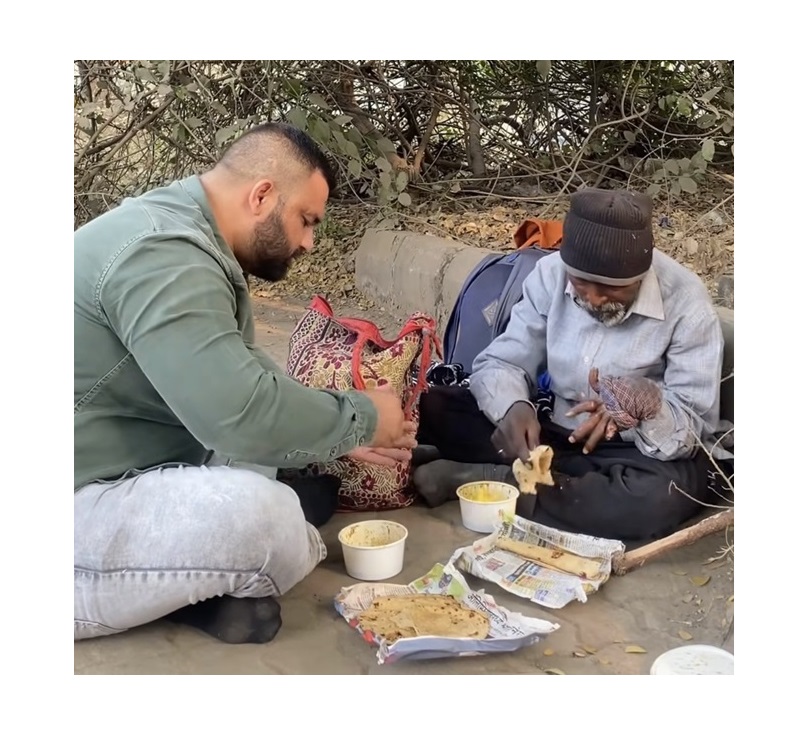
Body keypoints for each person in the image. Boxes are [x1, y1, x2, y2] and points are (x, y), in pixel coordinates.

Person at [74, 123, 415, 644]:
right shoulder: (163, 255)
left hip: (129, 466)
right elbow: (239, 413)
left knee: (269, 465)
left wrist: (340, 433)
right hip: (77, 501)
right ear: (261, 195)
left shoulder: (181, 232)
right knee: (266, 519)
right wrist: (363, 417)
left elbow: (249, 375)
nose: (308, 241)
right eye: (306, 220)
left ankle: (185, 588)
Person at [414, 187, 729, 542]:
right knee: (433, 407)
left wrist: (650, 404)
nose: (593, 299)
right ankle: (550, 480)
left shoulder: (688, 304)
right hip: (545, 430)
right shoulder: (549, 274)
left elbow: (694, 428)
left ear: (640, 276)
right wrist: (513, 408)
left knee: (663, 495)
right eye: (580, 283)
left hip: (630, 450)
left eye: (612, 289)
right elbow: (503, 360)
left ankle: (497, 479)